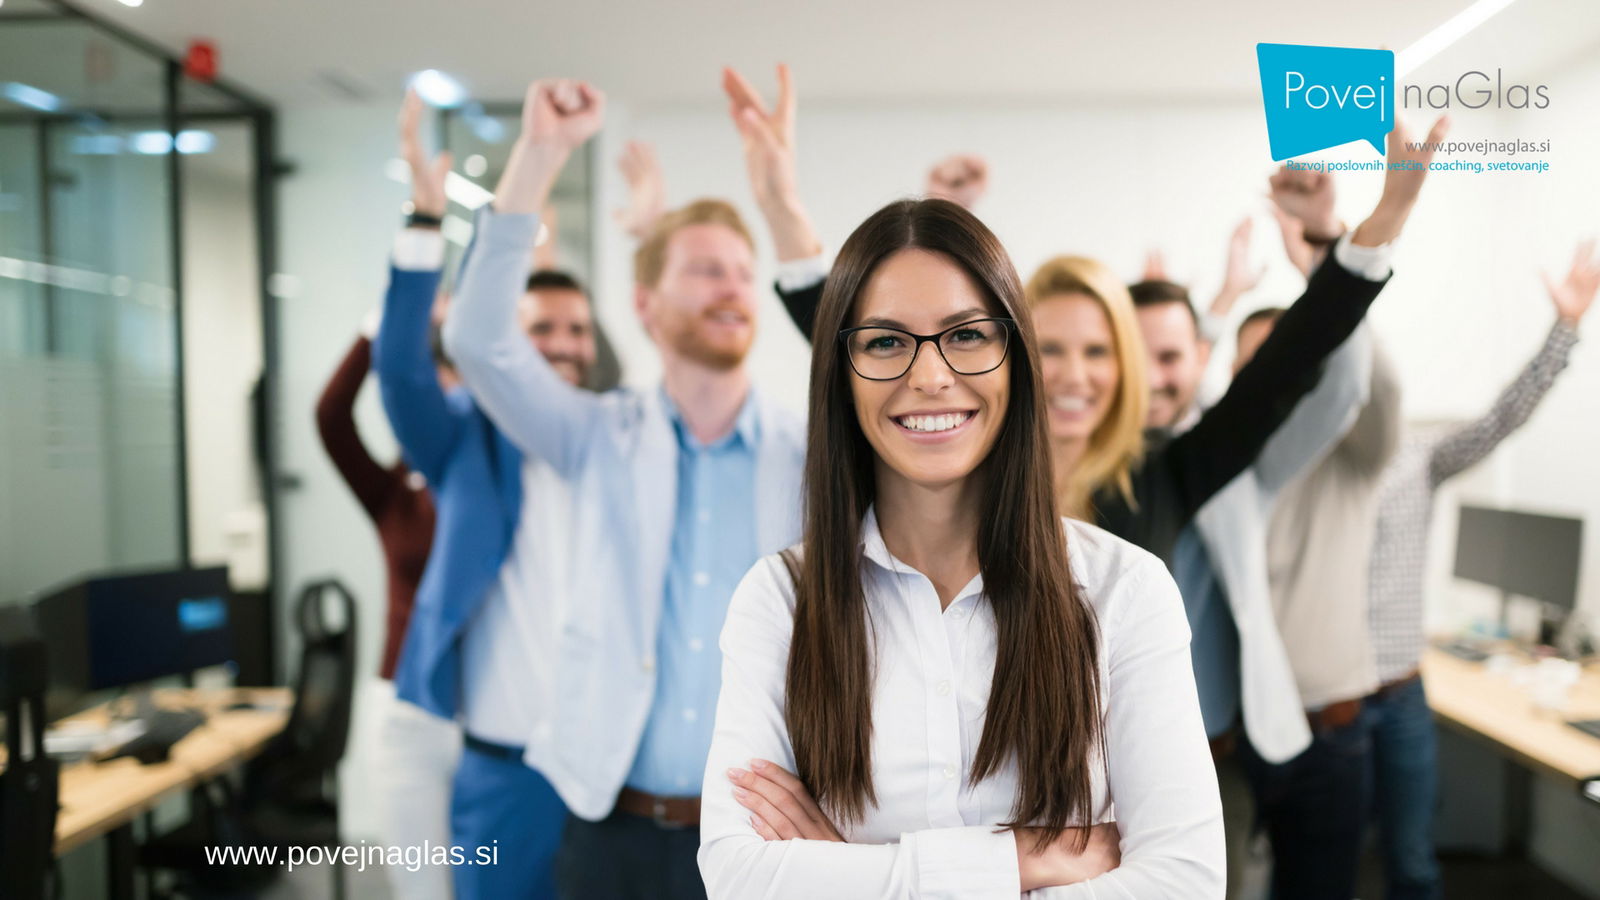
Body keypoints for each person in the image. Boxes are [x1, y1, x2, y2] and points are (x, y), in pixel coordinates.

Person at [698, 197, 1224, 899]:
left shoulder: (1125, 590)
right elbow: (740, 877)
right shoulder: (779, 599)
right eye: (885, 341)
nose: (930, 376)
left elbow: (1183, 882)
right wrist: (1017, 865)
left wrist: (851, 872)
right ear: (841, 374)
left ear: (1015, 359)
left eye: (967, 335)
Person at [728, 62, 1444, 564]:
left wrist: (1384, 218)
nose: (1073, 374)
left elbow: (1289, 364)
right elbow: (863, 340)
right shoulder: (966, 458)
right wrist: (782, 211)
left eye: (1098, 351)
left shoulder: (1169, 473)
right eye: (1052, 348)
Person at [441, 77, 805, 900]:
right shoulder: (598, 434)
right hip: (609, 830)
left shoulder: (809, 452)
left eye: (745, 273)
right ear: (645, 304)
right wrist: (540, 155)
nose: (734, 287)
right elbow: (476, 338)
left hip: (759, 837)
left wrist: (782, 204)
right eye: (707, 269)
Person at [375, 91, 600, 900]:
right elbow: (401, 370)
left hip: (610, 777)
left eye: (578, 330)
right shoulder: (462, 435)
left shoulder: (613, 440)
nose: (565, 346)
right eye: (543, 329)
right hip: (502, 771)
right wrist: (426, 225)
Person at [1363, 241, 1596, 900]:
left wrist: (1566, 327)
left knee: (1412, 859)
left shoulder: (1420, 457)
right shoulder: (1307, 468)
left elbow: (1504, 417)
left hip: (1403, 692)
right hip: (1331, 702)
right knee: (1327, 862)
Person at [1248, 306, 1403, 900]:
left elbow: (1383, 388)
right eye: (1256, 364)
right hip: (1236, 740)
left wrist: (1341, 276)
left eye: (1288, 358)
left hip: (1329, 739)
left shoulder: (1353, 459)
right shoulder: (1217, 468)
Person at [314, 284, 459, 900]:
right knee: (423, 884)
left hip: (490, 711)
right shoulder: (393, 493)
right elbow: (330, 415)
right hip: (405, 708)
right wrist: (393, 314)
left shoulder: (508, 479)